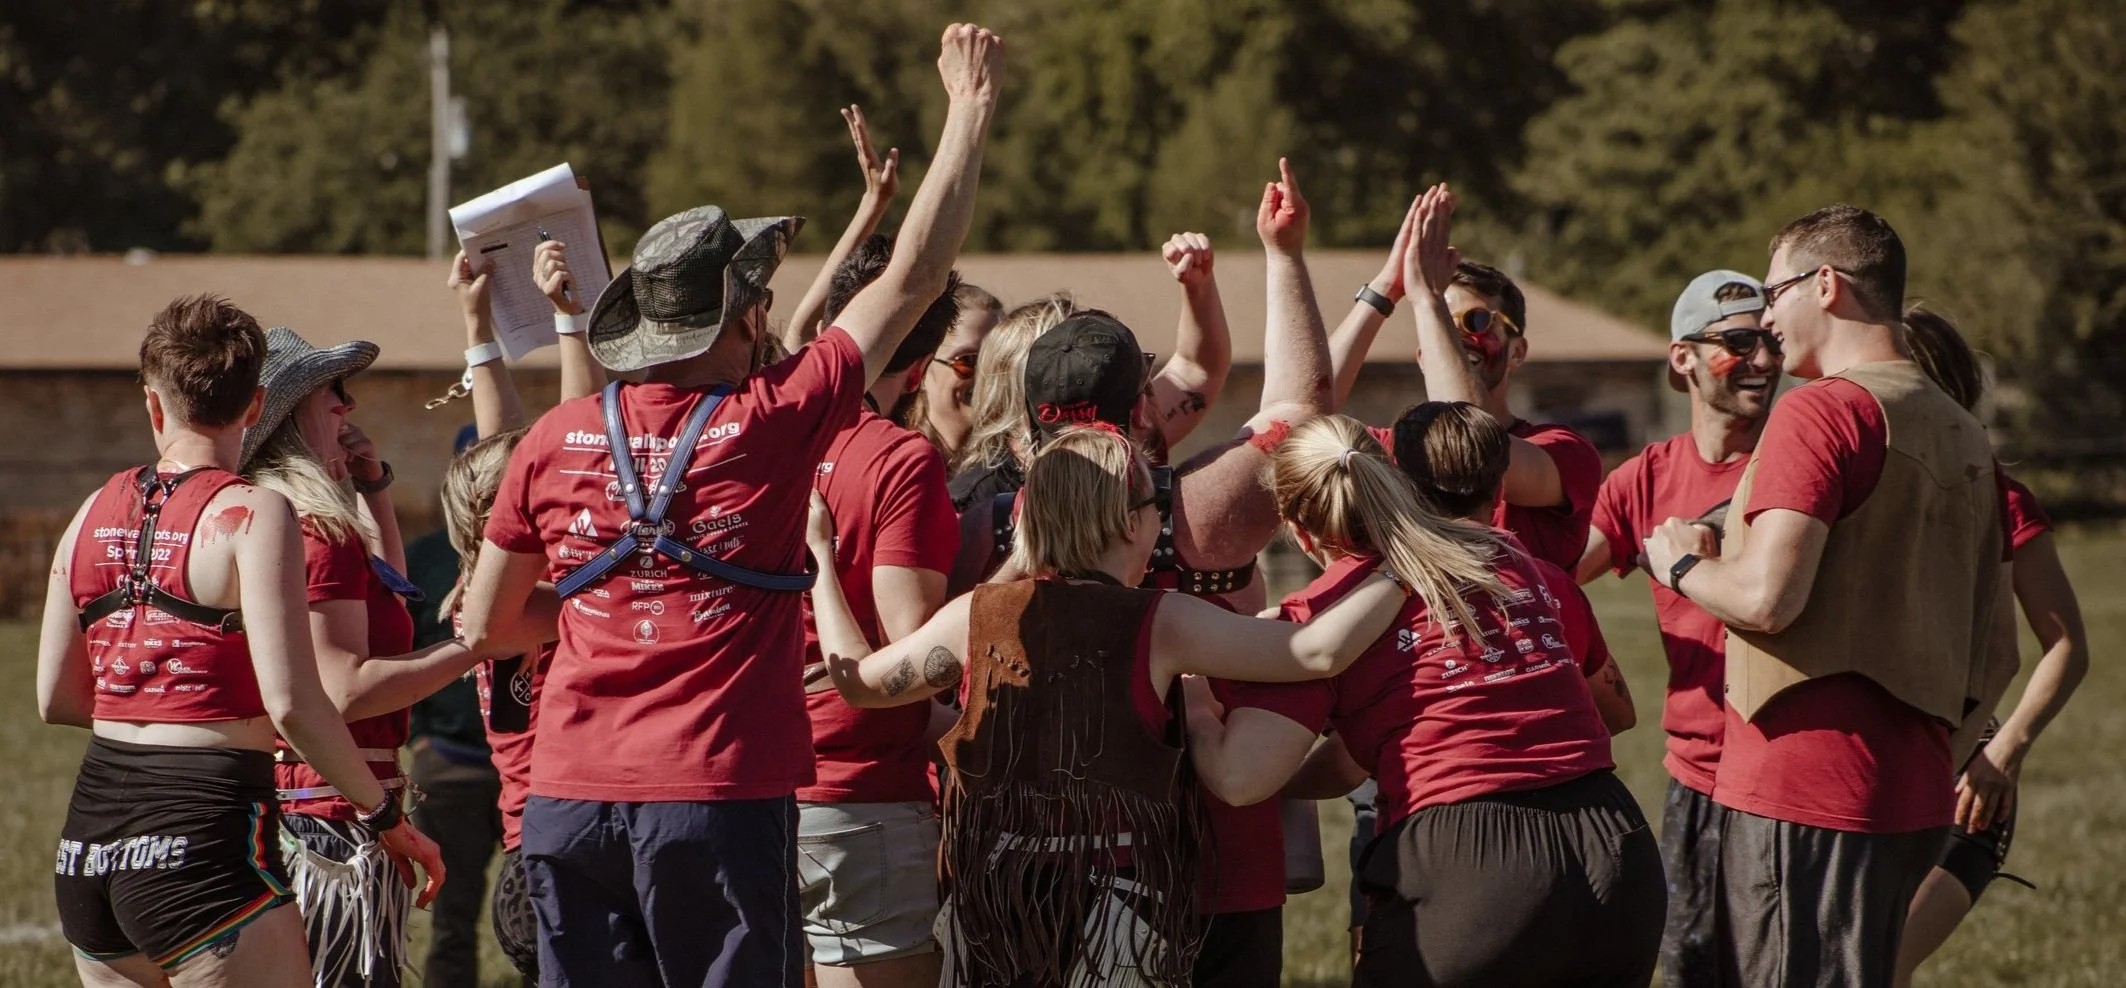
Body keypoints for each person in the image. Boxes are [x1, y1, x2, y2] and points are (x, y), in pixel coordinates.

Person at [459, 24, 1005, 987]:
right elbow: (913, 277)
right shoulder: (775, 415)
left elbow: (490, 622)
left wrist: (616, 599)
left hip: (565, 800)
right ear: (748, 316)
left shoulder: (555, 436)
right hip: (713, 796)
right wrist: (967, 112)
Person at [809, 424, 1419, 988]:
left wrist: (821, 565)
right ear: (1132, 525)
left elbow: (860, 683)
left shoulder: (977, 614)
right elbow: (1315, 653)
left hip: (997, 905)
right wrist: (1403, 565)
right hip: (1118, 912)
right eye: (1157, 507)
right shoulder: (1160, 620)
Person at [1642, 204, 2020, 987]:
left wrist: (1677, 563)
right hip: (1911, 796)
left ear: (1825, 285)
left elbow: (1768, 600)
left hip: (1801, 792)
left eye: (1774, 294)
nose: (1767, 318)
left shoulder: (1822, 410)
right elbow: (2001, 651)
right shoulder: (1960, 428)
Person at [38, 295, 443, 988]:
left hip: (88, 848)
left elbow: (55, 696)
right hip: (202, 840)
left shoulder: (90, 509)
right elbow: (295, 704)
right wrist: (384, 817)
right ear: (255, 407)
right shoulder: (255, 512)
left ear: (152, 404)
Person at [1181, 414, 1665, 988]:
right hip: (1616, 850)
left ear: (1298, 530)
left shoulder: (1319, 618)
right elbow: (1613, 712)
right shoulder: (1507, 557)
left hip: (1470, 866)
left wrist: (1190, 696)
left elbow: (1241, 778)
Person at [240, 326, 532, 988]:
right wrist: (477, 645)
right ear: (293, 413)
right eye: (331, 393)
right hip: (333, 823)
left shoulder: (295, 522)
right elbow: (347, 687)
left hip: (319, 810)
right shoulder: (317, 534)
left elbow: (389, 608)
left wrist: (373, 487)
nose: (348, 405)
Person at [947, 161, 1328, 613]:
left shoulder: (972, 529)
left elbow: (911, 660)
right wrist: (1285, 255)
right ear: (1142, 410)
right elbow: (1300, 407)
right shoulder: (1199, 510)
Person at [1573, 269, 1778, 988]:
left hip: (1786, 768)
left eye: (1771, 341)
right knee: (1691, 968)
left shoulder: (1799, 464)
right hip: (1696, 770)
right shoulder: (1645, 477)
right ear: (1682, 358)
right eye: (1738, 342)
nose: (1762, 359)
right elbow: (1552, 585)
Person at [1892, 307, 2089, 988]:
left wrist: (2003, 753)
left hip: (1967, 782)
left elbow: (2065, 645)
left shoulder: (2001, 499)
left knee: (1877, 967)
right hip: (1870, 770)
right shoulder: (1848, 495)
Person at [792, 234, 964, 988]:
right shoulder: (899, 457)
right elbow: (909, 652)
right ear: (921, 368)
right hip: (858, 796)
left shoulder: (760, 431)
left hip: (740, 783)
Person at [1327, 184, 1604, 571]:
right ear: (1425, 357)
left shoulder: (1564, 451)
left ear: (1518, 351)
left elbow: (1473, 449)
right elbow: (1299, 414)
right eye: (1442, 326)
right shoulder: (1392, 450)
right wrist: (1386, 289)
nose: (1457, 337)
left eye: (1476, 321)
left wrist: (1428, 300)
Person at [1392, 400, 1637, 735]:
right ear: (1500, 495)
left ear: (1402, 493)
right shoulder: (1553, 585)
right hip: (1578, 781)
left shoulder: (1386, 598)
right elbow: (1619, 714)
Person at [944, 230, 1233, 512]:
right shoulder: (976, 504)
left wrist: (1198, 287)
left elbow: (1196, 370)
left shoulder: (1125, 427)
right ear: (1023, 387)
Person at [902, 281, 1004, 457]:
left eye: (1001, 360)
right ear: (920, 371)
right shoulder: (896, 461)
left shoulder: (1020, 464)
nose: (988, 374)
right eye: (968, 360)